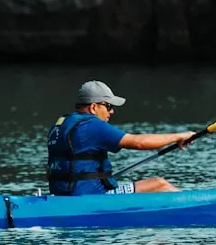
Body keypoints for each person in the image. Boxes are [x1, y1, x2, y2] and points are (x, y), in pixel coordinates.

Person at [46, 80, 195, 196]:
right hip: (92, 197)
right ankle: (193, 210)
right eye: (108, 106)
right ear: (93, 107)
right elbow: (139, 143)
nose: (112, 111)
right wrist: (179, 136)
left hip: (62, 195)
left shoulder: (61, 125)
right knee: (159, 184)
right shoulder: (92, 125)